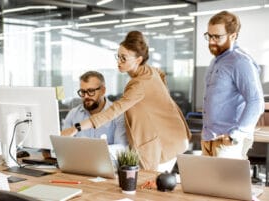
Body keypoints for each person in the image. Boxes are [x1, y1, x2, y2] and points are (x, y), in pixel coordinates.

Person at [62, 31, 191, 171]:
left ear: (138, 60)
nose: (119, 62)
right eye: (118, 56)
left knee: (148, 186)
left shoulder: (139, 84)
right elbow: (161, 74)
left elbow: (113, 111)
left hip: (165, 144)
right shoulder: (150, 71)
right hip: (174, 136)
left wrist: (77, 127)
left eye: (123, 58)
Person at [201, 11, 264, 159]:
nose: (211, 41)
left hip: (227, 142)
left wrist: (235, 135)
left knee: (225, 183)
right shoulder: (216, 61)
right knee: (205, 182)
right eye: (209, 36)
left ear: (233, 36)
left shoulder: (240, 62)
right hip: (209, 139)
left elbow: (256, 101)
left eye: (217, 37)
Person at [62, 71, 127, 147]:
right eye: (83, 92)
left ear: (103, 91)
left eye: (91, 91)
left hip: (106, 159)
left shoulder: (118, 114)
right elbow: (64, 144)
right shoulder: (73, 114)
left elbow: (120, 150)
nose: (86, 96)